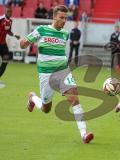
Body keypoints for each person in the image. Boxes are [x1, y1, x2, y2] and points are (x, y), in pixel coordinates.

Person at [19, 5, 94, 143]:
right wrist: (24, 43)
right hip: (46, 74)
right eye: (61, 18)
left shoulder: (65, 33)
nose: (64, 21)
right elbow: (23, 44)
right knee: (46, 108)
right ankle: (33, 98)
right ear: (54, 17)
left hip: (62, 71)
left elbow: (59, 52)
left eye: (66, 18)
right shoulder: (41, 30)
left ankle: (84, 134)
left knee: (74, 99)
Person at [0, 5, 20, 79]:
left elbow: (8, 31)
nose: (9, 13)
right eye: (8, 11)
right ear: (5, 11)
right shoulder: (1, 19)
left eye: (10, 11)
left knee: (5, 60)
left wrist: (14, 35)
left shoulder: (10, 21)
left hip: (3, 44)